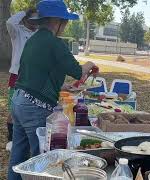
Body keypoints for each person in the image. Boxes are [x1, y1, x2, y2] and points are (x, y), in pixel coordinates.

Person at [8, 1, 97, 179]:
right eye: (65, 22)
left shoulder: (33, 40)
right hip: (35, 107)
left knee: (18, 152)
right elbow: (78, 71)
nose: (65, 26)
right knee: (39, 157)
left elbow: (33, 73)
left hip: (18, 101)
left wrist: (62, 86)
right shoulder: (55, 43)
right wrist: (90, 64)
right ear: (57, 22)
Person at [5, 9, 38, 152]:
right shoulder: (17, 31)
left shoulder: (38, 34)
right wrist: (25, 11)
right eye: (32, 19)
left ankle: (26, 140)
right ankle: (11, 140)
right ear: (25, 19)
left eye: (37, 20)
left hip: (33, 76)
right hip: (17, 75)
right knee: (13, 111)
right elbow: (10, 21)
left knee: (29, 108)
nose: (34, 23)